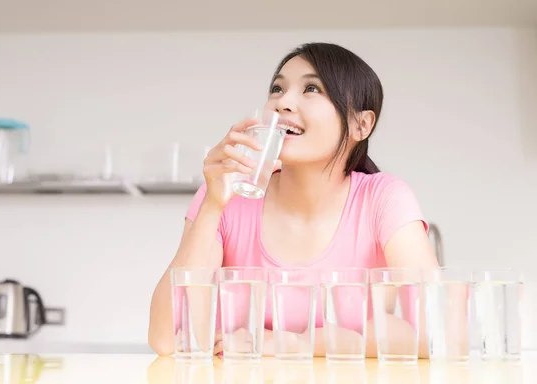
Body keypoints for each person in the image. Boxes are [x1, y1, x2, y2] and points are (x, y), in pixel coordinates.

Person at [147, 42, 439, 358]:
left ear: (361, 124)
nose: (282, 102)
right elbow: (166, 338)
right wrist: (213, 206)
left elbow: (441, 331)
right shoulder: (225, 196)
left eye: (311, 88)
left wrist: (298, 344)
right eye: (277, 88)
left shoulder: (384, 199)